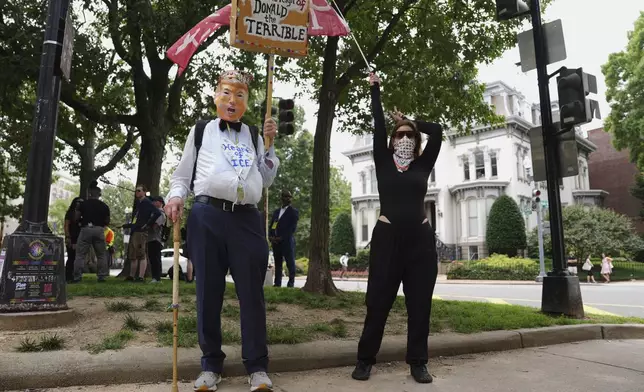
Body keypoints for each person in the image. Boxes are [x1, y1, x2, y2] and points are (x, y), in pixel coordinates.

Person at [164, 70, 279, 392]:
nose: (232, 100)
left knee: (252, 296)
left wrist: (269, 147)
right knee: (208, 294)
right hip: (207, 216)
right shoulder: (201, 131)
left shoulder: (255, 134)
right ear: (216, 96)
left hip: (247, 219)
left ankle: (257, 367)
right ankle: (210, 365)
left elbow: (266, 180)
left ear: (247, 101)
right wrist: (175, 197)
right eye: (226, 93)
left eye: (240, 95)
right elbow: (182, 174)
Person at [352, 72, 443, 384]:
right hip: (387, 239)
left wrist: (412, 120)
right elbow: (378, 123)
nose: (404, 139)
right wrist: (375, 90)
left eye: (410, 136)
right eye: (399, 134)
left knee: (420, 305)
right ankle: (365, 359)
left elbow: (439, 131)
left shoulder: (422, 165)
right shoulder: (382, 159)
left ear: (416, 141)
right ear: (391, 141)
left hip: (420, 241)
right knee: (378, 302)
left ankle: (418, 362)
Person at [72, 185, 111, 283]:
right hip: (99, 230)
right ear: (100, 194)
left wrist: (78, 212)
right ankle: (101, 276)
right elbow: (107, 221)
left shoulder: (83, 204)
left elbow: (76, 218)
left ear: (89, 194)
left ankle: (77, 277)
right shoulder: (104, 206)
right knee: (101, 254)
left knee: (80, 255)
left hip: (86, 229)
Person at [124, 185, 161, 282]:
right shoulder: (139, 203)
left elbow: (157, 213)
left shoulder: (147, 202)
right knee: (133, 255)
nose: (137, 192)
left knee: (141, 254)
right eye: (136, 191)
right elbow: (137, 218)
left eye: (139, 191)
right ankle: (131, 276)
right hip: (134, 231)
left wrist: (148, 224)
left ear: (144, 192)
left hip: (141, 232)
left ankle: (140, 277)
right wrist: (129, 226)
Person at [268, 190, 299, 287]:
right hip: (276, 242)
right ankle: (277, 283)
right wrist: (271, 236)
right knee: (278, 263)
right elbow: (272, 224)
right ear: (281, 198)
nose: (288, 198)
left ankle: (291, 283)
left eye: (290, 197)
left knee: (290, 262)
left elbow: (292, 228)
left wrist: (282, 238)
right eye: (286, 196)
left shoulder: (293, 212)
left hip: (287, 241)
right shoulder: (277, 212)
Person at [147, 196, 167, 283]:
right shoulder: (154, 212)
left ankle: (157, 278)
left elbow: (155, 226)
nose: (153, 203)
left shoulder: (161, 213)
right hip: (151, 238)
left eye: (155, 201)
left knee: (156, 259)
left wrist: (147, 225)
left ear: (160, 202)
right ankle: (154, 277)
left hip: (156, 238)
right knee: (152, 259)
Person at [64, 197, 83, 282]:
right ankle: (68, 276)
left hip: (80, 238)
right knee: (71, 257)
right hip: (71, 237)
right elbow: (66, 225)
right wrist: (68, 237)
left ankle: (76, 276)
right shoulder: (70, 213)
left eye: (81, 202)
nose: (79, 203)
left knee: (78, 258)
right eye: (78, 202)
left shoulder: (83, 214)